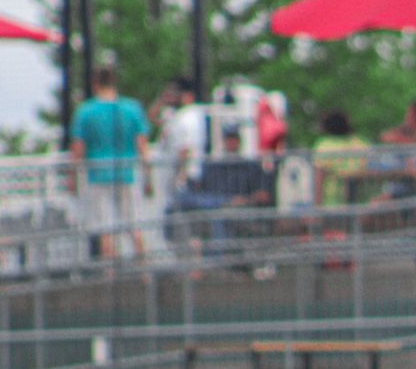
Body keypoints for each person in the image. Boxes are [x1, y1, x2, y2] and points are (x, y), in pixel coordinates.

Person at [69, 64, 153, 259]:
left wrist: (72, 177)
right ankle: (144, 269)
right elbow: (142, 145)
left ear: (95, 83)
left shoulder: (86, 111)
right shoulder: (132, 109)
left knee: (105, 227)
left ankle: (110, 274)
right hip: (127, 171)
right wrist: (148, 176)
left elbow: (78, 148)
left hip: (98, 173)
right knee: (135, 223)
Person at [169, 122, 275, 259]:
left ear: (239, 141)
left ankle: (219, 260)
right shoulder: (214, 166)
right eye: (228, 139)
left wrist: (245, 200)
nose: (231, 143)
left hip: (241, 209)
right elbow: (200, 190)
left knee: (221, 213)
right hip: (214, 205)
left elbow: (263, 195)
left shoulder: (251, 166)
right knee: (183, 200)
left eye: (234, 139)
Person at [153, 77, 210, 193]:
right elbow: (153, 118)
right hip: (183, 174)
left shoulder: (187, 116)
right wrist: (163, 99)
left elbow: (185, 148)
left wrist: (181, 176)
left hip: (186, 176)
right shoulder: (184, 114)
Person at [311, 110, 368, 208]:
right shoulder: (360, 143)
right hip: (360, 204)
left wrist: (317, 207)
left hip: (332, 204)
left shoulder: (324, 145)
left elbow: (319, 178)